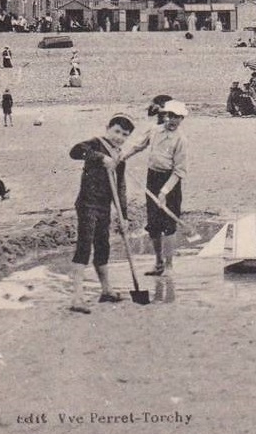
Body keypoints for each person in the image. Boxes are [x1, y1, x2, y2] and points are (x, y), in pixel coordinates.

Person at [68, 114, 136, 313]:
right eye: (116, 132)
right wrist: (100, 157)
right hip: (87, 203)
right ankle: (76, 297)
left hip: (104, 206)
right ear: (107, 129)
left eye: (124, 134)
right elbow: (75, 151)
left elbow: (120, 187)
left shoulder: (120, 157)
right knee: (84, 246)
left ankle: (106, 290)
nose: (119, 137)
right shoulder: (95, 144)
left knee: (102, 246)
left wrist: (123, 215)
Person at [121, 99, 189, 276]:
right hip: (153, 178)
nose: (173, 120)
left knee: (169, 224)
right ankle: (158, 263)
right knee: (153, 224)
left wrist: (164, 192)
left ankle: (169, 266)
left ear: (182, 119)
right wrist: (123, 157)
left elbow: (179, 171)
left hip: (170, 182)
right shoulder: (154, 131)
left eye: (178, 117)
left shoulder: (181, 140)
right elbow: (139, 146)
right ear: (166, 115)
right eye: (171, 116)